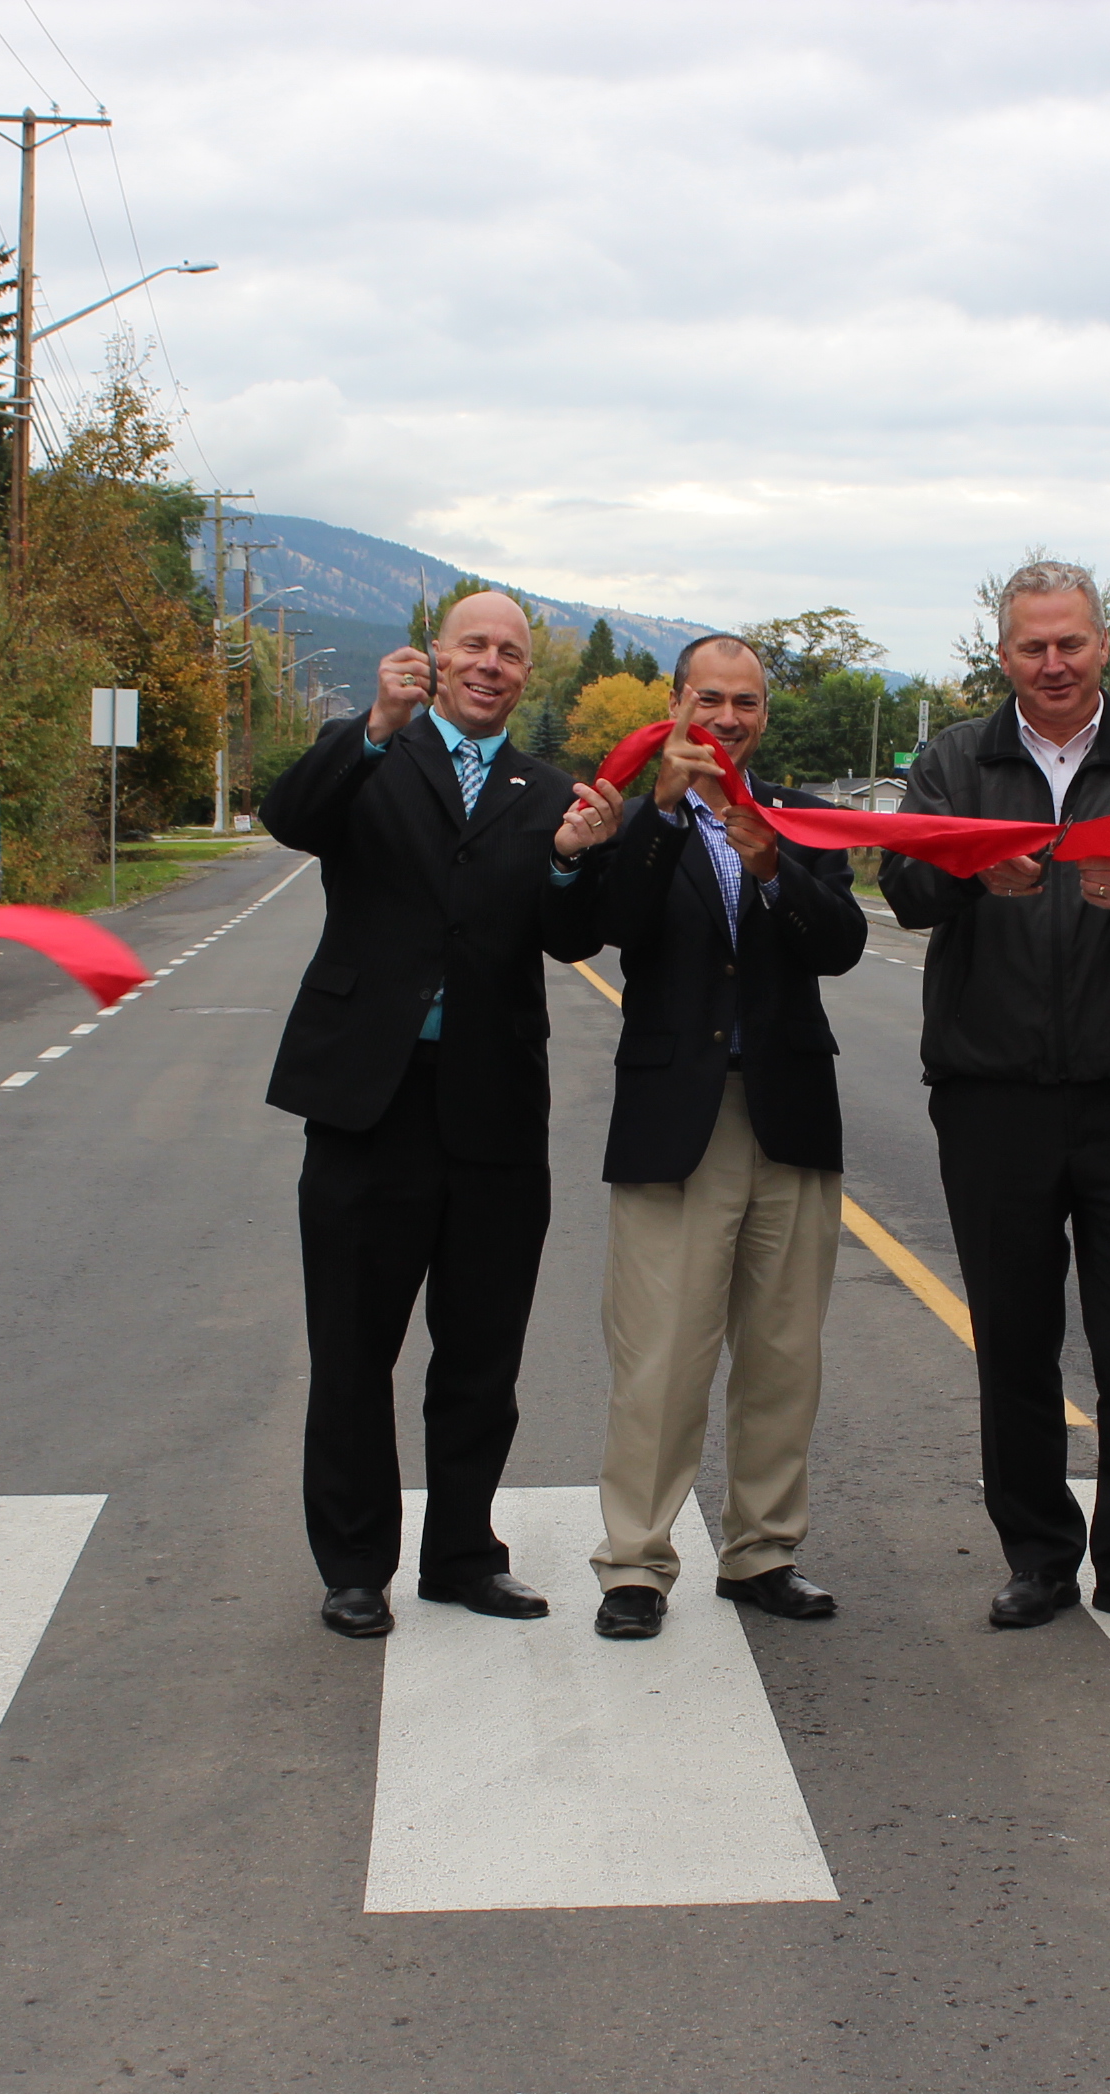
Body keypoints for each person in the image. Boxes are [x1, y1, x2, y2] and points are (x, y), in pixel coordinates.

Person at [262, 593, 625, 1639]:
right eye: (476, 645)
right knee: (352, 1349)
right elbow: (292, 817)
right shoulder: (372, 753)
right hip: (365, 1101)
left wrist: (572, 859)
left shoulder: (547, 789)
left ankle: (464, 1554)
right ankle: (354, 1566)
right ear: (435, 657)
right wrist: (371, 728)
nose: (493, 665)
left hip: (493, 1109)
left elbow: (571, 939)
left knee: (481, 1357)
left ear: (525, 676)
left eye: (512, 654)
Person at [881, 559, 1110, 1638]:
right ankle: (1037, 1555)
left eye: (1070, 642)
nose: (1054, 663)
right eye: (1032, 646)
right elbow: (900, 887)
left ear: (1103, 643)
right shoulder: (953, 758)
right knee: (1016, 1338)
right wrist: (970, 874)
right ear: (1003, 655)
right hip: (993, 1096)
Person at [586, 637, 866, 1640]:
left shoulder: (791, 815)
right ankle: (634, 1564)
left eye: (747, 702)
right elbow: (610, 922)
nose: (731, 719)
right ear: (675, 705)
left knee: (784, 1354)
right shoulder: (631, 812)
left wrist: (777, 868)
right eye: (712, 699)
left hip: (788, 1110)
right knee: (659, 1357)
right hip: (677, 1121)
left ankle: (762, 1552)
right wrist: (660, 814)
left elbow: (841, 943)